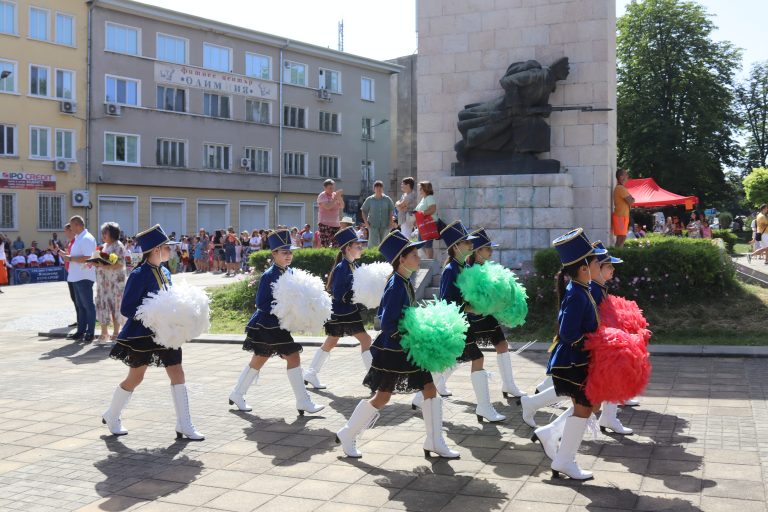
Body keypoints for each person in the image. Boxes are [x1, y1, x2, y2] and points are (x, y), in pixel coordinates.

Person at [335, 230, 460, 459]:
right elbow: (388, 322)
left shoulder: (404, 281)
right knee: (382, 397)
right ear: (401, 259)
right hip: (394, 350)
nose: (419, 257)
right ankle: (347, 433)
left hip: (406, 348)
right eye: (414, 254)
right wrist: (412, 337)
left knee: (430, 390)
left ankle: (434, 440)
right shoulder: (396, 285)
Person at [103, 224, 204, 440]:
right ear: (157, 249)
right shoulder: (139, 274)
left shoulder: (166, 271)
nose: (171, 250)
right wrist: (153, 314)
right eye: (168, 247)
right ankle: (112, 414)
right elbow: (127, 308)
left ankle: (184, 424)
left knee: (177, 372)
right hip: (142, 334)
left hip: (167, 334)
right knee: (136, 377)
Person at [412, 222, 506, 424]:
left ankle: (420, 397)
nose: (470, 246)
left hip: (464, 324)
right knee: (477, 358)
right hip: (455, 325)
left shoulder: (465, 267)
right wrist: (473, 309)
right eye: (466, 243)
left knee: (450, 361)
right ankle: (484, 407)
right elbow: (447, 302)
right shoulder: (450, 270)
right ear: (455, 247)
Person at [228, 230, 325, 416]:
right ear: (274, 254)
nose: (288, 255)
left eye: (290, 252)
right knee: (293, 356)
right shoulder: (269, 275)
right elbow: (261, 303)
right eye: (284, 252)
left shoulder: (292, 272)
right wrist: (283, 307)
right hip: (267, 324)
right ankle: (303, 401)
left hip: (277, 325)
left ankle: (237, 393)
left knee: (259, 359)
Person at [545, 228, 606, 480]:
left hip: (575, 361)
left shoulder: (581, 288)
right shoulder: (578, 293)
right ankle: (564, 461)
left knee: (585, 408)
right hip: (572, 362)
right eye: (595, 262)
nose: (599, 266)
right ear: (583, 268)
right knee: (584, 409)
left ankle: (559, 452)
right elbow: (569, 333)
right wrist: (594, 341)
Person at [303, 227, 373, 389]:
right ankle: (373, 378)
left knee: (332, 341)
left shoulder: (352, 265)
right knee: (366, 340)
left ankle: (311, 373)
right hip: (344, 312)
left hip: (345, 311)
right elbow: (339, 292)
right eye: (358, 245)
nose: (360, 248)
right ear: (348, 248)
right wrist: (354, 295)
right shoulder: (343, 267)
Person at [61, 216, 98, 342]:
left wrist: (70, 258)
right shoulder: (79, 238)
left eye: (71, 226)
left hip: (84, 276)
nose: (70, 228)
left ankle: (90, 332)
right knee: (80, 305)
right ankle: (81, 331)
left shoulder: (87, 238)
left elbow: (87, 257)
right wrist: (68, 256)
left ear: (77, 225)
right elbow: (78, 256)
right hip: (76, 276)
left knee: (87, 305)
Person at [95, 222, 127, 343]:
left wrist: (103, 264)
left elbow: (119, 263)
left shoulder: (118, 246)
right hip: (104, 282)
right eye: (102, 232)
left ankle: (116, 332)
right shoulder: (103, 246)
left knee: (116, 306)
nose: (103, 235)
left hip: (115, 282)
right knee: (103, 304)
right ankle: (104, 333)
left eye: (105, 232)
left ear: (113, 233)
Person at [361, 180, 395, 247]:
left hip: (385, 225)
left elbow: (390, 211)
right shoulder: (369, 199)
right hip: (373, 225)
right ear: (374, 189)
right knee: (373, 244)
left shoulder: (387, 199)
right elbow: (363, 211)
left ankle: (383, 257)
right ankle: (373, 256)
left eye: (380, 187)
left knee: (384, 243)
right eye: (377, 187)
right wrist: (366, 223)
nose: (379, 189)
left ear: (383, 189)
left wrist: (391, 222)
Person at [414, 181, 441, 259]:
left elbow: (433, 209)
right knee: (421, 243)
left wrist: (421, 213)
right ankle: (429, 260)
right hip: (423, 224)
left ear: (425, 189)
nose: (419, 190)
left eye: (421, 188)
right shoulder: (424, 198)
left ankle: (430, 261)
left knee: (427, 244)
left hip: (429, 224)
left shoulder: (429, 197)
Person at [317, 179, 344, 247]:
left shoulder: (335, 195)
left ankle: (335, 257)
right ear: (325, 188)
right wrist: (335, 198)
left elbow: (342, 206)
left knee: (337, 244)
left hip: (336, 224)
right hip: (324, 224)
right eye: (330, 188)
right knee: (325, 244)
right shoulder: (322, 195)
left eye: (333, 187)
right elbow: (328, 207)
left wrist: (339, 197)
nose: (332, 189)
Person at [612, 169, 635, 247]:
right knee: (621, 238)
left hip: (622, 217)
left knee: (622, 237)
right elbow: (631, 201)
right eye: (626, 174)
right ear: (621, 177)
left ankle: (618, 255)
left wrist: (631, 199)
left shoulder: (621, 188)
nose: (628, 176)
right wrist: (632, 199)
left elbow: (631, 200)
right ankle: (617, 255)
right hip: (620, 217)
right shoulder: (620, 188)